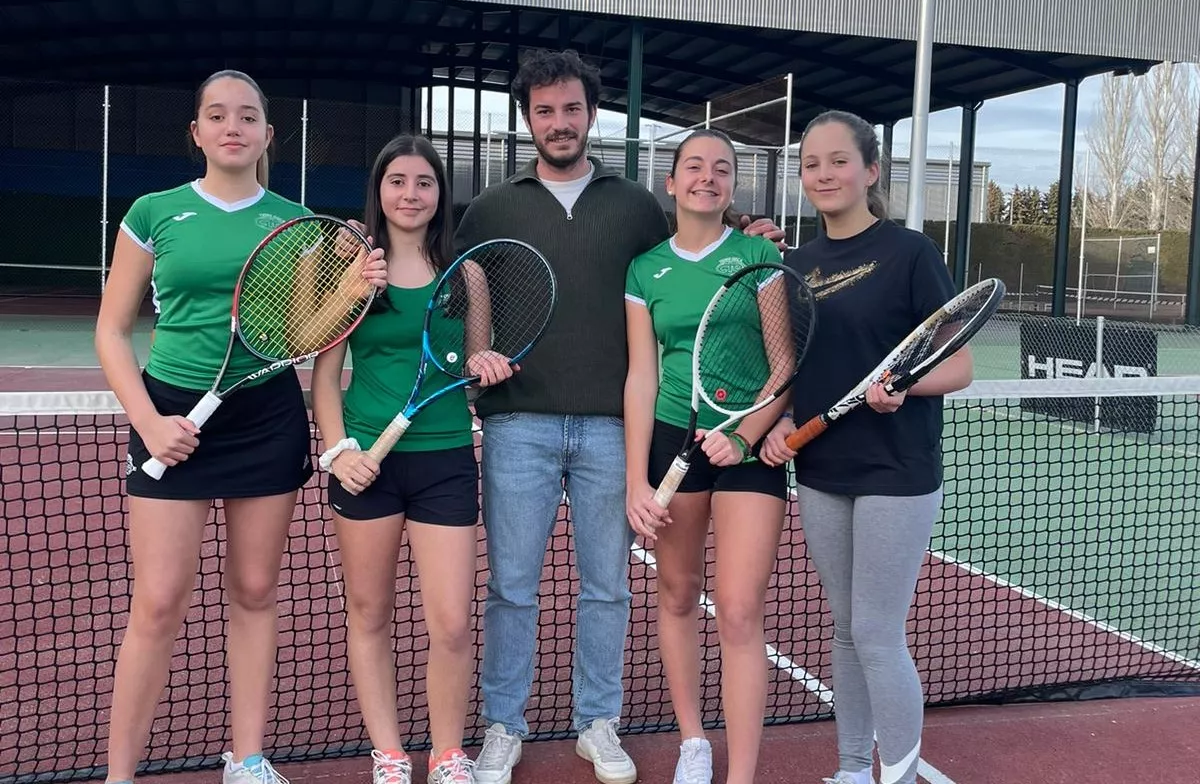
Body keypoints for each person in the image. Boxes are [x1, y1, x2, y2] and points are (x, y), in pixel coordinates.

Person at [452, 49, 785, 784]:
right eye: (545, 111)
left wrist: (749, 230)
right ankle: (503, 726)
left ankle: (597, 722)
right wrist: (478, 353)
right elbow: (468, 292)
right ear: (528, 119)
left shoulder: (635, 205)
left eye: (571, 109)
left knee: (607, 585)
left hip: (611, 428)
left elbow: (692, 248)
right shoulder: (490, 209)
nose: (559, 122)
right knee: (511, 587)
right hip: (517, 425)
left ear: (591, 114)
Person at [95, 70, 387, 784]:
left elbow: (299, 337)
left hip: (265, 418)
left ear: (267, 135)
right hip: (170, 414)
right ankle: (119, 774)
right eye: (219, 115)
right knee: (158, 602)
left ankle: (247, 758)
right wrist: (149, 422)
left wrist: (351, 288)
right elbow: (111, 330)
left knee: (255, 591)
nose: (234, 127)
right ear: (196, 132)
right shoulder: (154, 212)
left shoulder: (295, 223)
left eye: (248, 116)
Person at [760, 110, 974, 784]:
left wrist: (903, 387)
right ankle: (854, 769)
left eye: (838, 161)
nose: (823, 174)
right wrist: (779, 420)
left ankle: (898, 776)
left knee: (877, 632)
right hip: (822, 468)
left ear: (870, 170)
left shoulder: (911, 253)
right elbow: (798, 367)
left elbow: (959, 367)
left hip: (896, 469)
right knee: (846, 629)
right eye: (811, 164)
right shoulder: (796, 266)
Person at [311, 134, 512, 784]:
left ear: (439, 194)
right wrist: (338, 452)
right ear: (379, 190)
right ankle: (390, 753)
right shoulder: (353, 271)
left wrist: (487, 365)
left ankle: (448, 753)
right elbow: (324, 375)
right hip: (364, 465)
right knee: (370, 614)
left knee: (451, 622)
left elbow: (475, 367)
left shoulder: (467, 275)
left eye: (424, 182)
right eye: (397, 181)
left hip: (445, 461)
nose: (410, 194)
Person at [623, 128, 790, 784]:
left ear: (733, 186)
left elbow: (784, 367)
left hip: (748, 450)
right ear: (671, 183)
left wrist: (745, 434)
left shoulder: (759, 256)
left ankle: (742, 774)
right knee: (677, 593)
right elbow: (642, 376)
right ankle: (693, 740)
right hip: (674, 440)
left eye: (721, 169)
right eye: (694, 166)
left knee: (741, 610)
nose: (707, 177)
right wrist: (636, 480)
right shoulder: (645, 270)